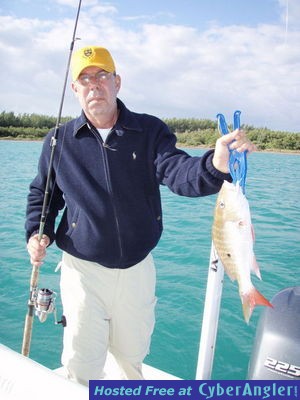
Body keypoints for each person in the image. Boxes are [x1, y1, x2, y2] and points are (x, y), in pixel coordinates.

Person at [26, 45, 256, 384]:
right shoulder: (58, 141)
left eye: (102, 76)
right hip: (82, 271)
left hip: (137, 270)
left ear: (117, 82)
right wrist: (37, 231)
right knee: (82, 364)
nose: (94, 85)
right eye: (85, 79)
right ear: (75, 90)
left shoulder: (149, 131)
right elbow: (43, 194)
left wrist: (215, 164)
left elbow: (179, 173)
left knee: (130, 363)